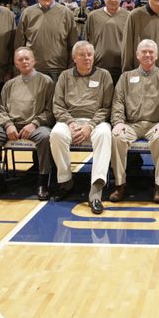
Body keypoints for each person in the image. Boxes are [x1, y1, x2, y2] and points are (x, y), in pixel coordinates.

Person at [0, 47, 55, 200]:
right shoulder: (9, 84)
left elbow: (50, 110)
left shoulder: (46, 81)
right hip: (11, 125)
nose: (24, 61)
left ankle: (43, 181)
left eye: (27, 58)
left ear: (34, 61)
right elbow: (1, 109)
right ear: (15, 64)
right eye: (20, 60)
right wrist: (8, 125)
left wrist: (34, 124)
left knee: (46, 137)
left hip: (36, 125)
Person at [110, 39, 159, 205]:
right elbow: (118, 102)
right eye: (144, 51)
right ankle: (120, 184)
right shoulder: (126, 77)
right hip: (131, 125)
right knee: (116, 138)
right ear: (137, 55)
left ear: (157, 55)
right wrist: (118, 122)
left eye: (151, 52)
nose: (147, 54)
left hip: (155, 124)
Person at [49, 41, 113, 210]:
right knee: (56, 134)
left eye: (89, 54)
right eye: (82, 55)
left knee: (105, 134)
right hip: (69, 121)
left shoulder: (104, 75)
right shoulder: (64, 76)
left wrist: (89, 126)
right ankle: (65, 181)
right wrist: (70, 122)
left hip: (95, 122)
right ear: (74, 58)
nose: (87, 58)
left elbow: (107, 107)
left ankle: (96, 190)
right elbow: (58, 105)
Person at [14, 0, 77, 82]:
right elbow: (19, 44)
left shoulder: (66, 13)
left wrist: (70, 68)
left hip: (59, 69)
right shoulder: (27, 13)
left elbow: (73, 44)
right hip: (33, 69)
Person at [85, 0, 130, 84]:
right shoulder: (93, 16)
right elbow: (86, 42)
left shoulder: (129, 16)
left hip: (122, 69)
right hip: (97, 68)